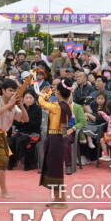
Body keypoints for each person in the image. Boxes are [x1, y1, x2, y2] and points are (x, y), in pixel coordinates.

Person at [38, 79, 74, 208]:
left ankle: (62, 201)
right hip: (58, 139)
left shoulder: (58, 107)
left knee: (56, 171)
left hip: (56, 139)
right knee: (55, 170)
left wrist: (45, 94)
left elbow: (41, 102)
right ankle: (59, 199)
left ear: (58, 92)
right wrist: (50, 92)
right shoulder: (65, 105)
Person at [8, 90, 42, 171]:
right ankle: (11, 162)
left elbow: (36, 124)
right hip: (21, 132)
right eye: (26, 98)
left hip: (33, 133)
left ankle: (22, 160)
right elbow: (15, 122)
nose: (28, 100)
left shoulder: (37, 109)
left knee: (21, 140)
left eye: (30, 98)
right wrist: (23, 122)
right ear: (23, 99)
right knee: (10, 141)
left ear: (34, 99)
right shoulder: (19, 108)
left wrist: (25, 122)